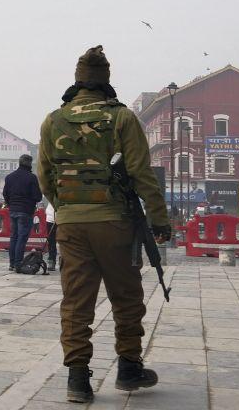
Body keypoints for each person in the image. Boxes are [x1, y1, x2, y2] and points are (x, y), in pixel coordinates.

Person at [37, 46, 169, 403]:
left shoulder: (53, 119)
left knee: (76, 300)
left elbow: (45, 176)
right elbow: (142, 173)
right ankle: (128, 367)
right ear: (105, 81)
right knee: (125, 295)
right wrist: (159, 218)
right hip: (115, 223)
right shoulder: (122, 118)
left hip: (71, 225)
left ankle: (77, 379)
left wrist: (65, 207)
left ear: (78, 79)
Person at [4, 154, 43, 272]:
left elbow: (5, 194)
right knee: (21, 238)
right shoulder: (31, 177)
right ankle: (18, 263)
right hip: (26, 210)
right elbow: (37, 196)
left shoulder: (9, 177)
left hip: (13, 210)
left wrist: (11, 203)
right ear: (30, 163)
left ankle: (11, 263)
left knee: (14, 237)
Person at [45, 199, 58, 272]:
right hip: (51, 218)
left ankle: (67, 261)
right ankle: (51, 260)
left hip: (65, 218)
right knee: (51, 241)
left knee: (66, 242)